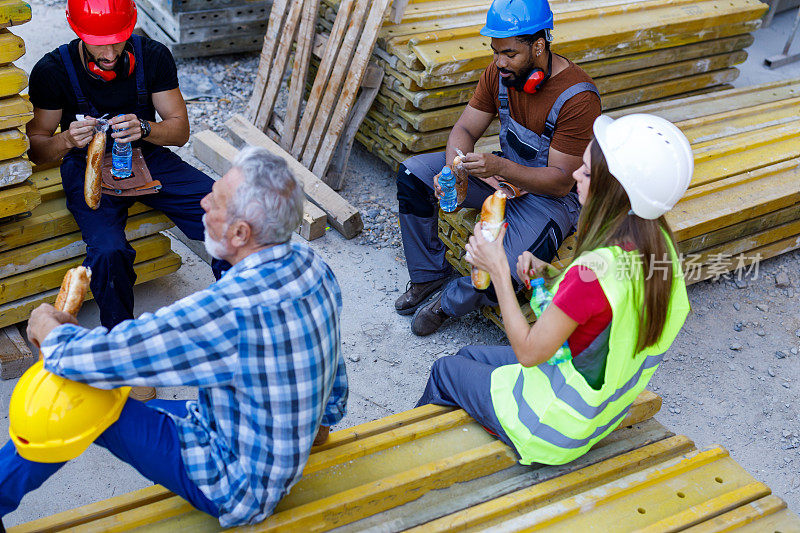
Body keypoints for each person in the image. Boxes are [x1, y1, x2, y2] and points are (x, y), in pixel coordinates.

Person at [0, 147, 348, 528]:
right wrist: (320, 425)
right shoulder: (310, 265)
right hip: (260, 443)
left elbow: (115, 356)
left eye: (215, 200)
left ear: (240, 233)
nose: (203, 201)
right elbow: (332, 360)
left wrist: (53, 334)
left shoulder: (232, 310)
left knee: (75, 396)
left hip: (235, 487)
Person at [416, 113, 692, 466]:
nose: (576, 174)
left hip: (549, 426)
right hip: (595, 411)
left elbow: (530, 352)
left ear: (615, 190)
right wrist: (542, 279)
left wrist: (498, 269)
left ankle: (413, 453)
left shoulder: (590, 273)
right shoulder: (663, 252)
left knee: (445, 371)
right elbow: (595, 319)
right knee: (469, 354)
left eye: (588, 172)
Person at [27, 0, 229, 399]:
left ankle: (239, 317)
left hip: (147, 154)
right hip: (87, 165)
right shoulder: (53, 71)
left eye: (117, 42)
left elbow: (179, 130)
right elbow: (36, 148)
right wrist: (68, 140)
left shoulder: (152, 56)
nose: (108, 53)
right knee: (107, 251)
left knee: (223, 212)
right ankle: (123, 352)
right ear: (77, 32)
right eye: (98, 44)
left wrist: (145, 128)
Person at [395, 0, 601, 336]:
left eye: (508, 54)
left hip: (548, 198)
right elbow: (464, 130)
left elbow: (562, 182)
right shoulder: (499, 74)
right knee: (412, 176)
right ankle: (429, 275)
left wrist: (499, 165)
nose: (499, 62)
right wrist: (455, 171)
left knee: (501, 273)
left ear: (538, 45)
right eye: (495, 52)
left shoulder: (578, 98)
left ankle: (449, 302)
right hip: (501, 174)